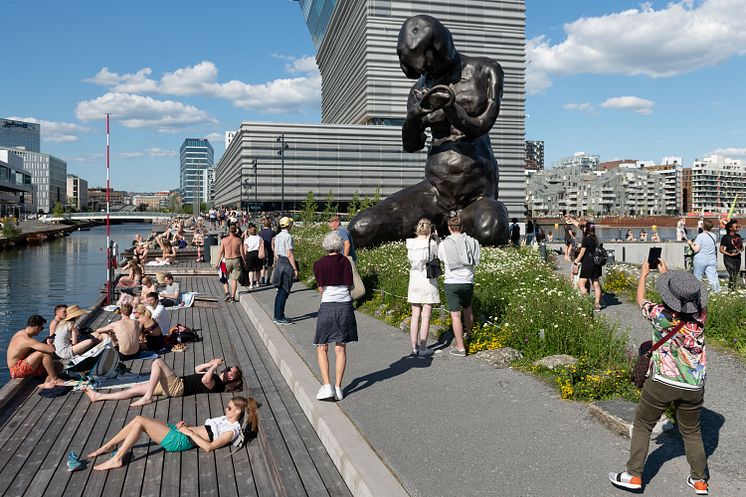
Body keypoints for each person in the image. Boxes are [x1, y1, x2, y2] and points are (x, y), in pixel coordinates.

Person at [609, 259, 709, 495]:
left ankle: (633, 475)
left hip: (663, 381)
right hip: (694, 385)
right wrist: (669, 276)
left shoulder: (659, 314)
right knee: (692, 431)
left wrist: (645, 275)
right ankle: (700, 481)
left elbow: (640, 299)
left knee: (644, 424)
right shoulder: (701, 315)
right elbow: (684, 301)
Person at [86, 396, 258, 471]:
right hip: (182, 432)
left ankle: (116, 459)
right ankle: (109, 446)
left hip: (181, 441)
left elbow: (208, 447)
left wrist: (188, 432)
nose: (225, 408)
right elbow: (204, 430)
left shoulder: (231, 430)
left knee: (140, 422)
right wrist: (186, 426)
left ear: (237, 411)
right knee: (138, 419)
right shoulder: (226, 419)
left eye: (229, 407)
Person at [84, 357, 243, 406]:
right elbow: (196, 369)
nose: (228, 370)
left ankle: (147, 397)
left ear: (230, 378)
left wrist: (213, 368)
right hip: (174, 385)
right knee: (134, 389)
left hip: (178, 387)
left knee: (157, 362)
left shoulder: (217, 383)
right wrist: (210, 364)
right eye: (229, 368)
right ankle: (98, 396)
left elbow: (205, 379)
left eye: (231, 371)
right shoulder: (215, 375)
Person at [312, 232, 358, 401]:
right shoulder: (345, 261)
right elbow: (349, 283)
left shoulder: (319, 264)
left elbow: (321, 288)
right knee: (340, 348)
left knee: (321, 345)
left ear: (326, 246)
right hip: (345, 305)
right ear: (339, 245)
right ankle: (338, 387)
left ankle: (326, 385)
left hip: (328, 306)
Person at [438, 216, 480, 356]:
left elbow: (442, 259)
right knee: (468, 308)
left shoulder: (444, 244)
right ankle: (469, 335)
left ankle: (461, 348)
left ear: (449, 228)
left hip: (452, 281)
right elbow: (475, 260)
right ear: (462, 227)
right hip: (468, 280)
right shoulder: (472, 242)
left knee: (455, 316)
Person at [406, 218, 440, 357]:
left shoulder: (410, 243)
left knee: (415, 315)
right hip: (428, 280)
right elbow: (439, 256)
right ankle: (423, 347)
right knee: (426, 316)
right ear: (430, 229)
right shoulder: (431, 243)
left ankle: (414, 346)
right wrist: (437, 239)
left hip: (414, 279)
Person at [6, 315, 63, 388]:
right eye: (41, 328)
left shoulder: (21, 333)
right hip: (16, 370)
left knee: (59, 365)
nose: (41, 330)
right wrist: (50, 343)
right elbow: (51, 350)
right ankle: (54, 379)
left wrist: (44, 343)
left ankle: (47, 382)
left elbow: (33, 348)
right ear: (37, 327)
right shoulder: (26, 339)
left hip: (23, 364)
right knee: (45, 353)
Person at [272, 217, 298, 325]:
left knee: (279, 291)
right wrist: (295, 268)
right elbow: (289, 254)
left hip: (279, 263)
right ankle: (280, 317)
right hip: (286, 263)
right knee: (284, 291)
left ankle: (277, 315)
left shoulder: (277, 236)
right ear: (289, 225)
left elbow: (276, 253)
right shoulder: (288, 237)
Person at [573, 223, 604, 311]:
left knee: (581, 283)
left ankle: (588, 301)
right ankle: (597, 304)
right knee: (596, 283)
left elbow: (582, 253)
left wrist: (576, 262)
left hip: (588, 263)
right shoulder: (596, 239)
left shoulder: (586, 239)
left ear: (586, 229)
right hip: (596, 264)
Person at [686, 219, 721, 293]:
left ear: (703, 226)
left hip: (700, 259)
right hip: (712, 259)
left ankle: (695, 293)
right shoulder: (714, 236)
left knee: (697, 277)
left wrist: (690, 243)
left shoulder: (700, 236)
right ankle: (717, 292)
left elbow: (696, 249)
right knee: (713, 278)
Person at [216, 225, 245, 302]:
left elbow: (220, 252)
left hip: (226, 260)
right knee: (234, 279)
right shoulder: (239, 240)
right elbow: (242, 252)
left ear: (228, 231)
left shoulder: (224, 240)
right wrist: (245, 261)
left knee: (224, 277)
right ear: (235, 231)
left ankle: (227, 292)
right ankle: (233, 297)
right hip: (236, 259)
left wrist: (217, 262)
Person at [719, 219, 743, 291]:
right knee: (732, 273)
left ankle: (732, 289)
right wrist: (730, 254)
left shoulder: (738, 236)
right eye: (736, 226)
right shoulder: (725, 237)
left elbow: (741, 247)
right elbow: (721, 249)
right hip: (728, 258)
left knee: (735, 274)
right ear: (730, 228)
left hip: (737, 258)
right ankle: (732, 289)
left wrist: (740, 250)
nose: (738, 227)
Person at [243, 224, 264, 289]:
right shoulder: (259, 238)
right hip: (257, 253)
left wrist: (245, 256)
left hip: (250, 254)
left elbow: (245, 248)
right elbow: (262, 245)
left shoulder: (248, 239)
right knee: (258, 269)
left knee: (250, 270)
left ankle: (251, 284)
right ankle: (258, 282)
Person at [259, 218, 275, 286]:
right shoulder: (272, 232)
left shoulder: (260, 232)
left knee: (262, 264)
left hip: (263, 250)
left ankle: (262, 278)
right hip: (270, 250)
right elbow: (273, 242)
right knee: (269, 265)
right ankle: (268, 279)